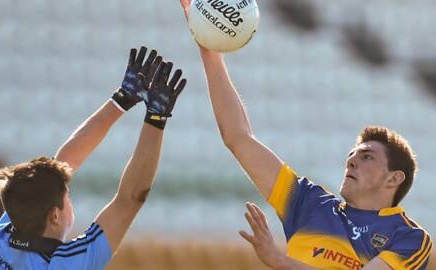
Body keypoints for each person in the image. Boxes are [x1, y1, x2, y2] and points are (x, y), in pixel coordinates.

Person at [178, 1, 432, 269]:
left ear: (394, 178)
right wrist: (209, 48)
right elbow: (238, 137)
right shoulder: (310, 203)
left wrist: (279, 260)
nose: (351, 161)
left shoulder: (409, 238)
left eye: (367, 157)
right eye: (352, 155)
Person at [0, 46, 186, 270]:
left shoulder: (4, 240)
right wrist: (156, 117)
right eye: (67, 196)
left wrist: (122, 100)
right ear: (55, 216)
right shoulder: (64, 264)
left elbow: (65, 162)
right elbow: (130, 199)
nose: (69, 199)